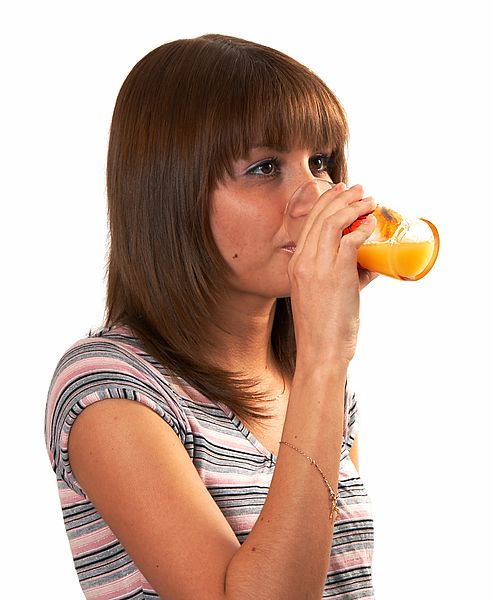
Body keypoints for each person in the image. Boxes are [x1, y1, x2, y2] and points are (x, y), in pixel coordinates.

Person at [44, 34, 378, 599]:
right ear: (172, 194)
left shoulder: (311, 381)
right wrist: (327, 356)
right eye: (265, 166)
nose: (315, 196)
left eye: (319, 162)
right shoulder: (109, 388)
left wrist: (321, 365)